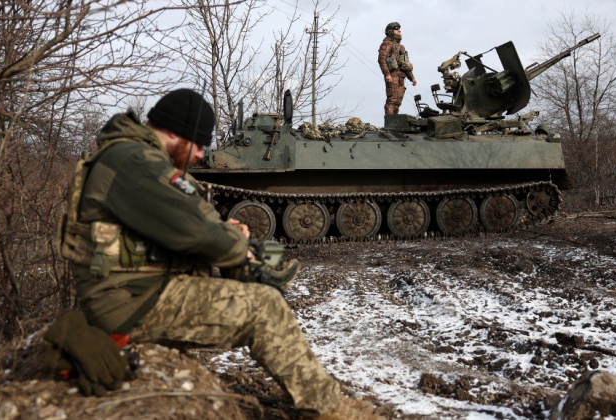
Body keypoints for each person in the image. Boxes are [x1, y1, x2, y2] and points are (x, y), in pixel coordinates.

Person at [56, 88, 383, 420]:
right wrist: (240, 249)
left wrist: (227, 235)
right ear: (173, 131)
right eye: (197, 143)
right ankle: (331, 411)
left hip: (133, 290)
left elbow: (189, 218)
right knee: (265, 308)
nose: (199, 154)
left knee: (247, 278)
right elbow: (196, 231)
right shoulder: (135, 162)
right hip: (130, 301)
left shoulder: (131, 157)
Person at [378, 22, 417, 115]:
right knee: (392, 100)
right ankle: (390, 124)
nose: (399, 31)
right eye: (396, 29)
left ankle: (395, 122)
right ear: (390, 31)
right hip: (393, 76)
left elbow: (405, 64)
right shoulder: (387, 44)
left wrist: (412, 78)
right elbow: (381, 59)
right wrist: (387, 74)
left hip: (401, 77)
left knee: (398, 101)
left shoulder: (401, 47)